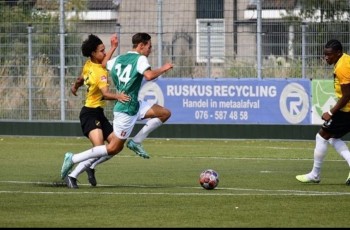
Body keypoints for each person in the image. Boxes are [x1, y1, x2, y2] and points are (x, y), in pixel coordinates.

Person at [60, 32, 173, 183]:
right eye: (149, 46)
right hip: (126, 110)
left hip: (135, 104)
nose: (150, 50)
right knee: (113, 148)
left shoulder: (119, 59)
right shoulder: (140, 59)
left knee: (165, 113)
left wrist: (113, 48)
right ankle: (73, 159)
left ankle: (136, 142)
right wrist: (164, 68)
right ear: (141, 45)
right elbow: (149, 76)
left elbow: (104, 64)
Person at [65, 33, 130, 189]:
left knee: (116, 146)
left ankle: (91, 167)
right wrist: (118, 96)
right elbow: (106, 94)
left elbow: (81, 78)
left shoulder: (89, 64)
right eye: (102, 50)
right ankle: (72, 175)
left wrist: (75, 86)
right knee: (100, 148)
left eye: (104, 49)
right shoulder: (100, 72)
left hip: (98, 113)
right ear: (94, 54)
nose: (104, 53)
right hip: (89, 113)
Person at [296, 39, 350, 185]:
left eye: (329, 55)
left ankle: (315, 174)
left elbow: (347, 95)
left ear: (338, 53)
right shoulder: (345, 60)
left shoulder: (342, 67)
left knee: (322, 136)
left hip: (347, 110)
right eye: (325, 54)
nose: (326, 57)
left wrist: (331, 112)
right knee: (333, 138)